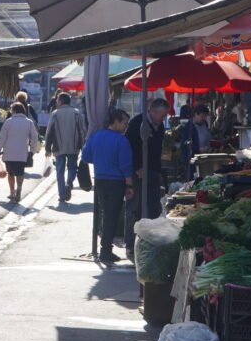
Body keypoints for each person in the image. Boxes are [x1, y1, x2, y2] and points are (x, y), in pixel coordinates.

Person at [81, 108, 134, 263]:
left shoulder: (95, 136)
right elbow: (126, 165)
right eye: (124, 123)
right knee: (112, 216)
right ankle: (106, 251)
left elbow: (86, 156)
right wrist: (129, 186)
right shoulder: (121, 140)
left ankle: (105, 249)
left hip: (100, 180)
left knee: (106, 214)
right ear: (116, 121)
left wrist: (101, 161)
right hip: (116, 181)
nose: (126, 126)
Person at [124, 97, 169, 259]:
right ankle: (130, 246)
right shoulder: (138, 123)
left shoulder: (160, 126)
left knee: (153, 207)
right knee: (134, 209)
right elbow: (129, 147)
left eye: (164, 116)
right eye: (161, 116)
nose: (163, 119)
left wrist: (158, 172)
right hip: (137, 173)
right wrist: (137, 167)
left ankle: (149, 243)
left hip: (152, 172)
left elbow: (157, 151)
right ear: (152, 111)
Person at [45, 91, 86, 202]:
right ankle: (69, 183)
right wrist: (82, 147)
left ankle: (62, 194)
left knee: (60, 171)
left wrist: (47, 148)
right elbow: (82, 131)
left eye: (57, 100)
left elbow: (49, 132)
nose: (56, 102)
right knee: (72, 167)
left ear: (61, 101)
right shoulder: (76, 112)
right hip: (74, 146)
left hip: (59, 146)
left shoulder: (55, 113)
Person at [0, 102, 38, 202]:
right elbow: (34, 138)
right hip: (22, 153)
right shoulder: (29, 122)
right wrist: (32, 151)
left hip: (8, 153)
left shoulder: (8, 122)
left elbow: (2, 139)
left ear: (14, 111)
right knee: (20, 173)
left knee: (10, 173)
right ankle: (19, 189)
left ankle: (12, 192)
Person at [180, 104, 213, 181]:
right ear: (195, 114)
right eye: (202, 116)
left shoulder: (204, 124)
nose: (204, 118)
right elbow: (185, 144)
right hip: (192, 160)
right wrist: (198, 149)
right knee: (193, 180)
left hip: (204, 158)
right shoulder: (189, 127)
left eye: (205, 117)